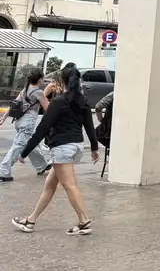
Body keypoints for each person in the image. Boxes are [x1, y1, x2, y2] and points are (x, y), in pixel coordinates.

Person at [12, 64, 99, 235]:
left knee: (70, 185)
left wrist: (24, 152)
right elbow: (89, 126)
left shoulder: (59, 101)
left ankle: (84, 221)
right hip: (75, 146)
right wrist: (94, 148)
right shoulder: (82, 101)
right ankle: (31, 220)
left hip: (62, 148)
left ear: (62, 81)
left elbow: (43, 128)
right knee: (50, 185)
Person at [0, 69, 52, 182]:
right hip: (28, 123)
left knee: (31, 144)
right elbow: (48, 109)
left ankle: (42, 165)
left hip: (19, 121)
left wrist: (3, 118)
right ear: (40, 80)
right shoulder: (38, 92)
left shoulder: (25, 89)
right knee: (18, 146)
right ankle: (3, 171)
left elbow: (13, 105)